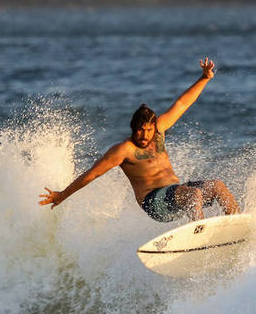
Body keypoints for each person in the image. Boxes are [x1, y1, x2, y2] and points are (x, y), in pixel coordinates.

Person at [39, 57, 240, 222]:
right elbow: (92, 174)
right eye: (140, 131)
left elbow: (182, 103)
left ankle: (238, 224)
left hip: (177, 197)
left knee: (217, 186)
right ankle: (199, 235)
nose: (144, 135)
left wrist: (205, 78)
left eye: (148, 130)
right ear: (133, 129)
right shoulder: (123, 150)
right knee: (193, 195)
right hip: (154, 203)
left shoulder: (159, 130)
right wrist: (62, 195)